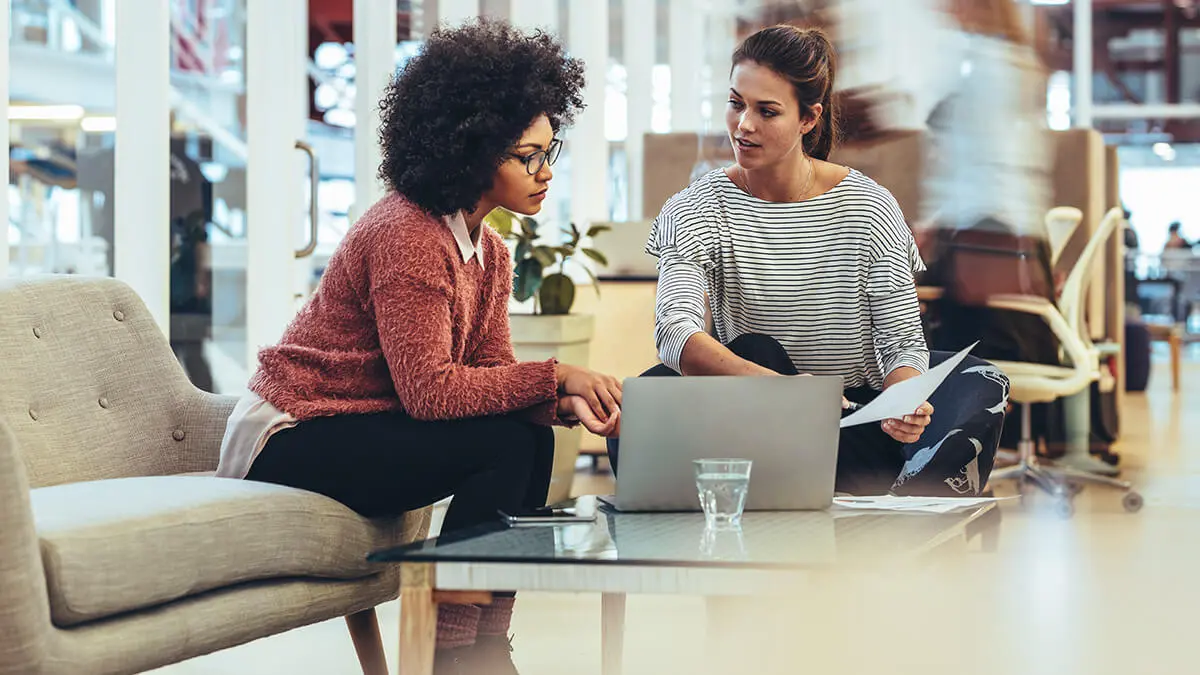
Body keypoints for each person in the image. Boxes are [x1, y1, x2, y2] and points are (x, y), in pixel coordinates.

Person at [215, 20, 621, 672]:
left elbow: (487, 375)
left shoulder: (488, 250)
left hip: (363, 422)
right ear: (470, 151)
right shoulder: (408, 232)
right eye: (528, 156)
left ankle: (479, 642)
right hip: (293, 434)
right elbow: (430, 390)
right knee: (511, 438)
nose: (545, 172)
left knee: (529, 433)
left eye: (551, 151)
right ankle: (454, 652)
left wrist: (555, 398)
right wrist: (555, 376)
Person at [608, 25, 1009, 497]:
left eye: (767, 111)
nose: (744, 125)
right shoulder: (696, 207)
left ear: (808, 119)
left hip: (849, 422)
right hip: (751, 412)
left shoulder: (869, 207)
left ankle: (901, 499)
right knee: (702, 373)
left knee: (981, 381)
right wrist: (790, 393)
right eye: (736, 103)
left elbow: (902, 342)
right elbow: (674, 334)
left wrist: (906, 398)